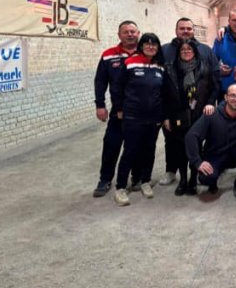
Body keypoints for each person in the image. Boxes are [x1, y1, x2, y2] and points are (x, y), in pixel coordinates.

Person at [160, 17, 220, 186]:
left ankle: (198, 170)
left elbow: (215, 78)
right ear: (176, 30)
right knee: (172, 141)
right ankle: (171, 171)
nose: (185, 31)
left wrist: (211, 102)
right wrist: (165, 113)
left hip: (199, 107)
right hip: (175, 109)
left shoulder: (205, 50)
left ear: (193, 31)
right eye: (182, 28)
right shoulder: (165, 50)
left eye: (189, 28)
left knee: (197, 139)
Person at [113, 33, 167, 206]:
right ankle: (121, 187)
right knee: (130, 151)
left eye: (154, 44)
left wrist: (163, 115)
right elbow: (117, 88)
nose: (151, 47)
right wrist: (119, 109)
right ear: (141, 46)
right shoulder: (130, 63)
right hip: (133, 116)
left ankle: (145, 181)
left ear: (158, 47)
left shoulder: (160, 67)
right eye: (147, 44)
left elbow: (163, 93)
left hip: (154, 118)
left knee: (149, 150)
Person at [185, 83, 236, 202]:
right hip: (215, 155)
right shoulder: (211, 114)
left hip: (235, 154)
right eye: (232, 95)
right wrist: (197, 162)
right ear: (226, 97)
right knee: (206, 178)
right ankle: (213, 182)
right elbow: (191, 136)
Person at [92, 20, 140, 197]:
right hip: (118, 111)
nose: (130, 35)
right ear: (119, 35)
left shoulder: (146, 54)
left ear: (138, 34)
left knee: (136, 146)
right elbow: (100, 81)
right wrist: (100, 105)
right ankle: (105, 179)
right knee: (111, 145)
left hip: (140, 112)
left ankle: (136, 177)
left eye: (133, 32)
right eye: (126, 32)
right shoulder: (108, 55)